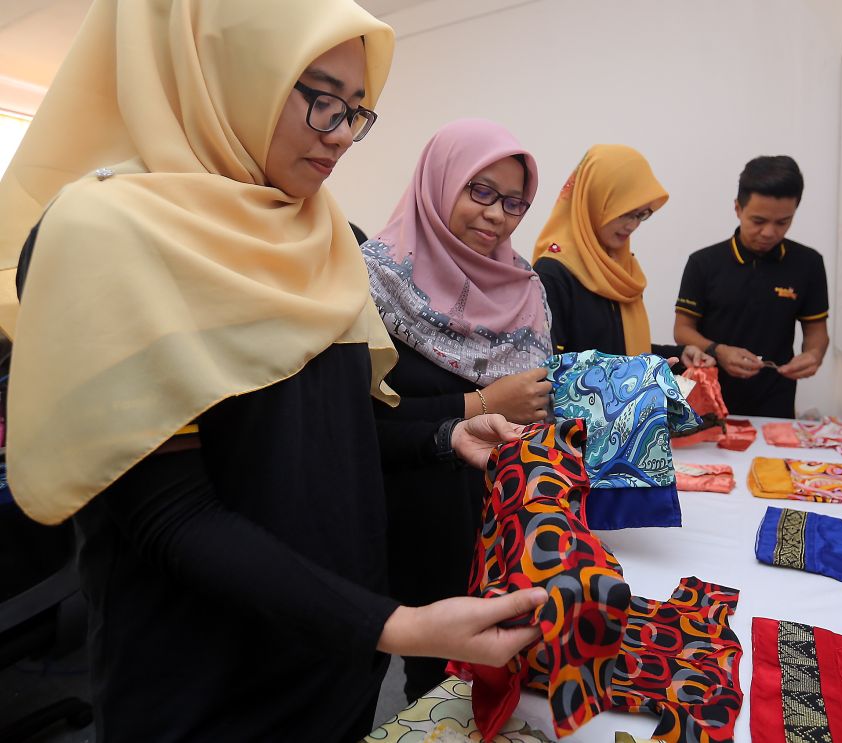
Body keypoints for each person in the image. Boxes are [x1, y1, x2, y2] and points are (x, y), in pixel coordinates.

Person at [0, 1, 546, 740]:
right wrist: (396, 624)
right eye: (321, 99)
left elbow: (338, 429)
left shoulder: (322, 230)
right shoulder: (106, 236)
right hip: (214, 688)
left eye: (358, 109)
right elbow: (170, 515)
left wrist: (446, 431)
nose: (345, 134)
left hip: (337, 656)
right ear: (225, 75)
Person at [362, 118, 552, 700]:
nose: (497, 215)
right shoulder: (373, 281)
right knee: (396, 687)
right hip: (400, 521)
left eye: (515, 203)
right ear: (439, 182)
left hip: (496, 520)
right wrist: (486, 401)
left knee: (475, 690)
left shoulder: (526, 289)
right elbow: (362, 424)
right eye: (481, 191)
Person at [673, 155, 829, 418]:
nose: (769, 232)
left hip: (775, 402)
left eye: (783, 222)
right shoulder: (704, 263)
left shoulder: (808, 264)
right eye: (758, 221)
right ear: (738, 208)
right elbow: (682, 330)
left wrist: (814, 354)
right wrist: (718, 351)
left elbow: (817, 331)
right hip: (708, 399)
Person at [531, 144, 712, 369]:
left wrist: (681, 354)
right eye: (625, 213)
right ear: (595, 200)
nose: (633, 225)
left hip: (628, 402)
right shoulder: (554, 272)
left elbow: (622, 351)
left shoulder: (618, 266)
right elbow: (551, 367)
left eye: (641, 214)